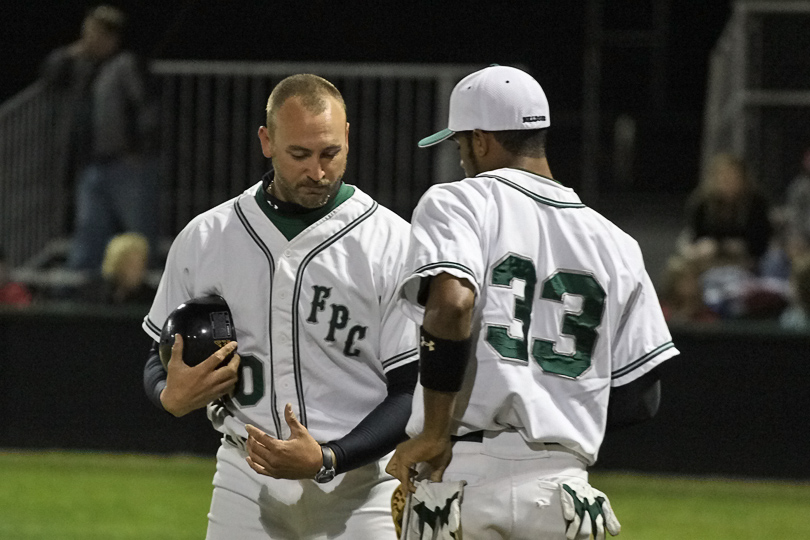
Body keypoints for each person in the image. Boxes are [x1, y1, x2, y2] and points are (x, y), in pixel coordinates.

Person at [385, 65, 679, 540]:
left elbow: (453, 306)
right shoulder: (616, 241)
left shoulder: (459, 202)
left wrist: (435, 430)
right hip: (563, 492)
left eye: (460, 144)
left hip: (462, 479)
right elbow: (640, 398)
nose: (461, 158)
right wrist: (557, 409)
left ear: (480, 140)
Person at [142, 74, 418, 539]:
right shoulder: (207, 237)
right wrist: (167, 393)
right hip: (244, 478)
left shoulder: (391, 243)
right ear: (267, 142)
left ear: (348, 136)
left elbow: (411, 390)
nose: (318, 171)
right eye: (300, 155)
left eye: (330, 152)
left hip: (363, 483)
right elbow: (157, 356)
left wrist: (330, 458)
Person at [41, 5, 159, 272]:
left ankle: (145, 287)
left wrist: (140, 150)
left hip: (127, 163)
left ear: (110, 37)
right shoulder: (83, 65)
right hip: (93, 162)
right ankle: (82, 290)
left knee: (138, 229)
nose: (87, 39)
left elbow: (147, 108)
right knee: (89, 229)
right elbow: (50, 75)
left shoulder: (127, 64)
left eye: (92, 33)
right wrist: (71, 52)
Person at [679, 153, 773, 270]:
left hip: (747, 259)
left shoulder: (756, 203)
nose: (728, 182)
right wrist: (703, 247)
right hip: (709, 258)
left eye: (734, 177)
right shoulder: (701, 203)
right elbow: (693, 235)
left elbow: (762, 238)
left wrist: (743, 247)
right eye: (724, 177)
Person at [79, 232, 156, 305]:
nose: (137, 270)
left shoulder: (151, 298)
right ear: (116, 263)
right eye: (130, 263)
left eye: (141, 263)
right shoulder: (93, 292)